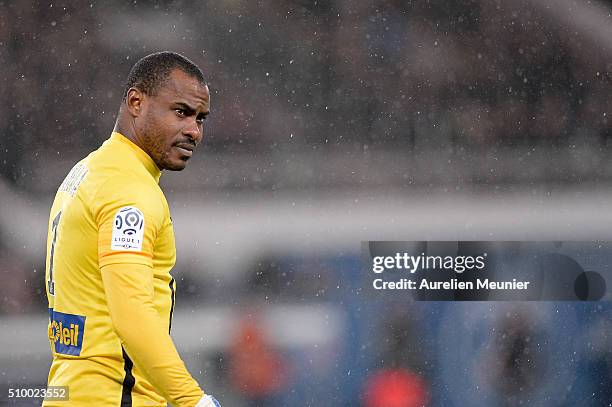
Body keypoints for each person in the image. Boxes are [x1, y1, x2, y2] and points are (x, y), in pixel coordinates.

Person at [43, 51, 220, 407]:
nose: (194, 131)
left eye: (200, 118)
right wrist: (193, 401)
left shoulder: (88, 171)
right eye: (181, 112)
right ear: (136, 102)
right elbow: (132, 312)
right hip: (115, 396)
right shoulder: (130, 192)